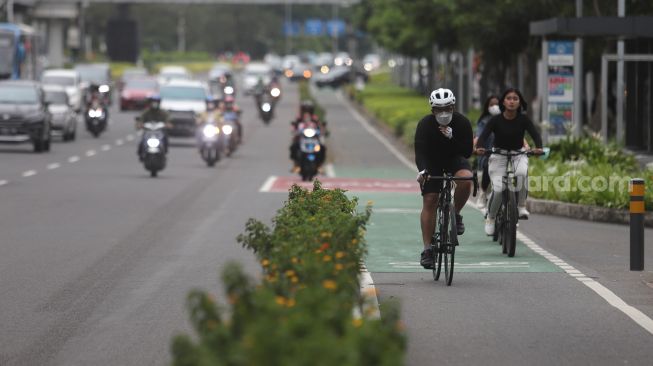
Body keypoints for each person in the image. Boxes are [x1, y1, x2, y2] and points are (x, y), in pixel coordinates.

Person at [415, 88, 474, 269]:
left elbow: (467, 152)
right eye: (438, 109)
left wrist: (452, 137)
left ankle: (455, 214)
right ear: (432, 110)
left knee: (466, 178)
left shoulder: (462, 123)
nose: (443, 113)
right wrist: (423, 171)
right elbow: (420, 152)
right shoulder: (425, 124)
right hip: (432, 162)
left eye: (447, 108)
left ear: (453, 107)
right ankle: (427, 250)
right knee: (430, 199)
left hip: (454, 159)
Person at [475, 88, 543, 236]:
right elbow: (484, 135)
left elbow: (535, 134)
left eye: (515, 99)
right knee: (498, 189)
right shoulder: (495, 120)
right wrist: (479, 147)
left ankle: (521, 206)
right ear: (503, 102)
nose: (512, 101)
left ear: (520, 103)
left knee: (521, 173)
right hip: (499, 154)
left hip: (518, 153)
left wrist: (538, 148)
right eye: (509, 98)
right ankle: (491, 218)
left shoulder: (523, 119)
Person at [473, 95, 501, 212]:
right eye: (492, 104)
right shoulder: (484, 122)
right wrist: (476, 146)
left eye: (497, 104)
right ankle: (483, 193)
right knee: (487, 166)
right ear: (487, 107)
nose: (495, 107)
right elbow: (479, 137)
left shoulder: (507, 119)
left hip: (505, 153)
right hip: (488, 154)